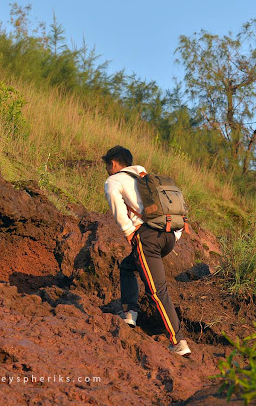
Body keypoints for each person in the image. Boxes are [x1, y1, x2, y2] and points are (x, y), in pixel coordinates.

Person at [103, 145, 191, 356]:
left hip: (148, 238)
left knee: (157, 290)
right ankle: (130, 313)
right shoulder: (143, 175)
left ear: (113, 164)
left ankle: (178, 342)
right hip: (169, 235)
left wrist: (129, 232)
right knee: (128, 266)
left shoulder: (113, 180)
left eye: (107, 166)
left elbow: (116, 204)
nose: (107, 170)